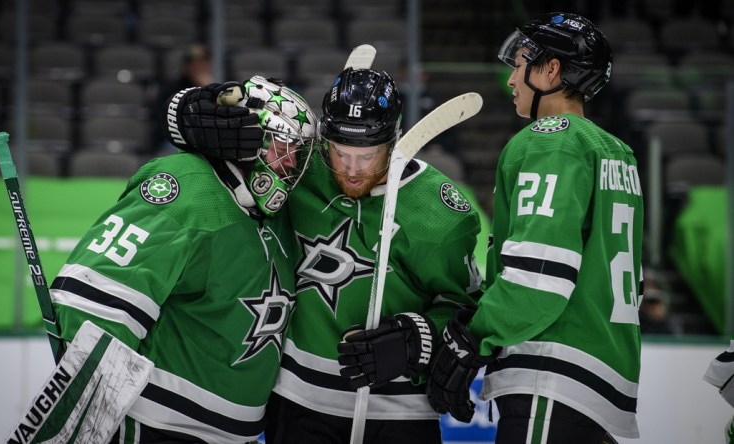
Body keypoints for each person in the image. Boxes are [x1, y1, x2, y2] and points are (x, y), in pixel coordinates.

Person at [166, 68, 484, 443]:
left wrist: (417, 338)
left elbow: (468, 308)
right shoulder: (300, 168)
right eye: (339, 153)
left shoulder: (439, 214)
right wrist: (187, 114)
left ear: (393, 140)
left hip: (399, 411)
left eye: (366, 156)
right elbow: (227, 137)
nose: (350, 170)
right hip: (297, 403)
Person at [51, 77, 318, 443]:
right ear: (250, 133)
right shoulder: (190, 187)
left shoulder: (281, 219)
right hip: (157, 427)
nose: (290, 165)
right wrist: (92, 411)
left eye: (298, 153)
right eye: (283, 147)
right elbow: (95, 299)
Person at [426, 12, 644, 443]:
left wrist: (472, 337)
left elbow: (539, 279)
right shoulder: (618, 152)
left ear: (551, 69)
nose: (511, 79)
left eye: (521, 62)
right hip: (606, 379)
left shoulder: (549, 139)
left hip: (554, 374)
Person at [153, 43, 215, 153]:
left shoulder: (217, 87)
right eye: (195, 63)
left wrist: (208, 89)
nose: (199, 67)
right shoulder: (171, 89)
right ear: (186, 66)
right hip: (175, 139)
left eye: (203, 63)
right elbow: (165, 122)